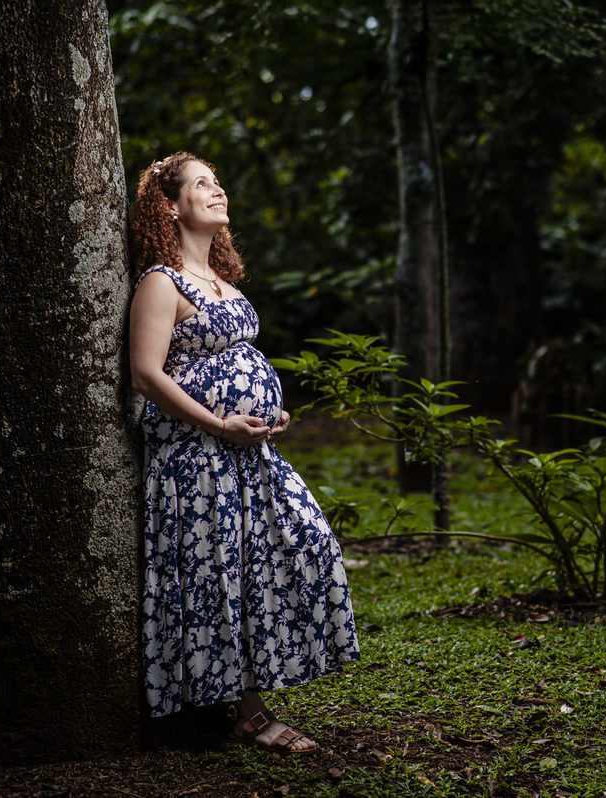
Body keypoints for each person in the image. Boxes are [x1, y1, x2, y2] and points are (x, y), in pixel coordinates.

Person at [128, 152, 359, 753]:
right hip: (195, 458)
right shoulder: (161, 281)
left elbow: (239, 363)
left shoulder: (223, 284)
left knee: (301, 546)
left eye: (217, 181)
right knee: (221, 578)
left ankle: (258, 688)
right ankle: (246, 712)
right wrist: (218, 422)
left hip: (246, 453)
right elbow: (147, 375)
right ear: (170, 206)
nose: (218, 190)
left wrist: (268, 411)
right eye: (202, 184)